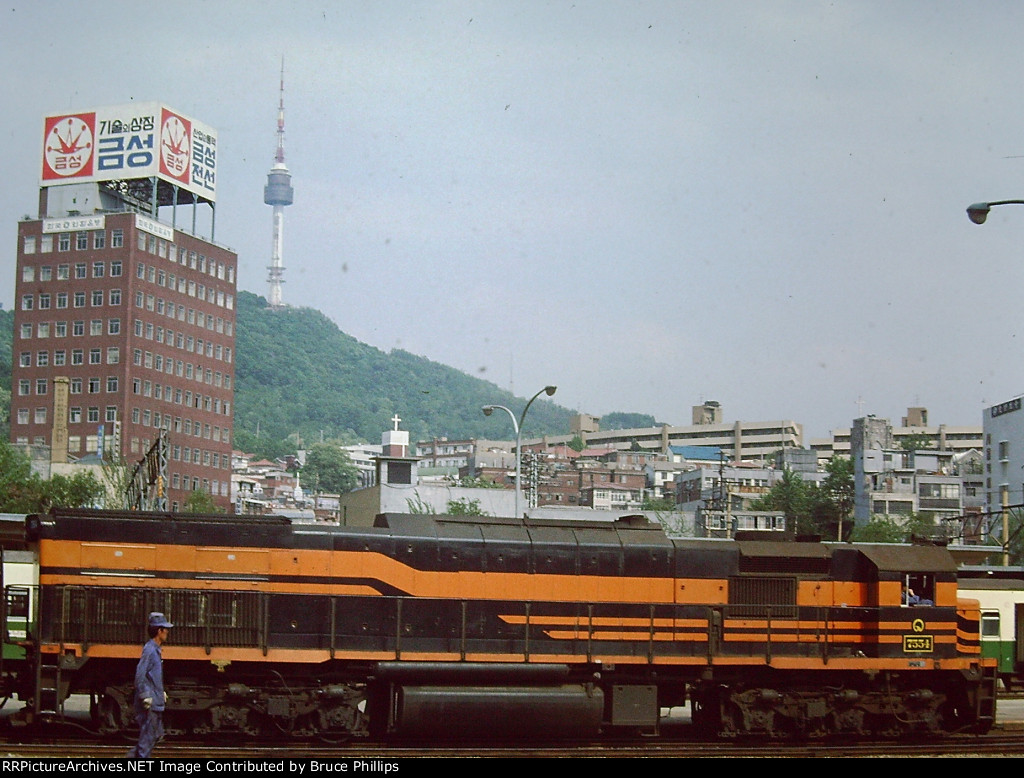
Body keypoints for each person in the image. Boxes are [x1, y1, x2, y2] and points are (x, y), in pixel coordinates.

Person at [126, 612, 173, 758]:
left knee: (155, 735)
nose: (167, 632)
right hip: (151, 702)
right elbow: (140, 675)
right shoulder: (150, 650)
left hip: (156, 700)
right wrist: (145, 695)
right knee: (147, 739)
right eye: (165, 629)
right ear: (159, 631)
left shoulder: (155, 650)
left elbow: (153, 676)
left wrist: (161, 692)